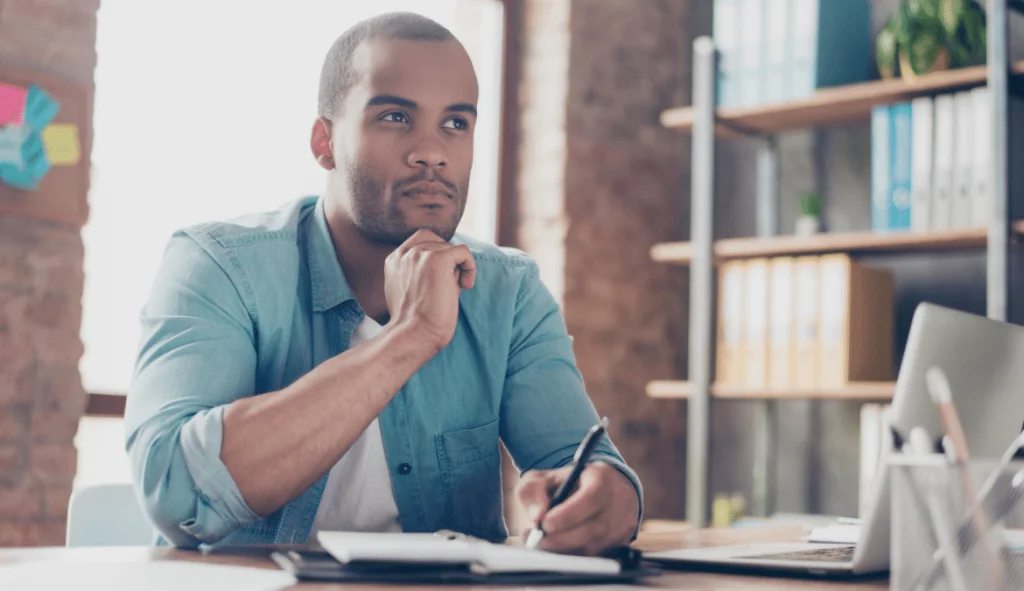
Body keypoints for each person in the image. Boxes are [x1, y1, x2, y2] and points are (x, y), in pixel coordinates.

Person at [124, 11, 642, 555]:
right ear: (324, 143)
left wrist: (611, 501)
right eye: (395, 117)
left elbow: (583, 464)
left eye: (456, 123)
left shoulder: (507, 291)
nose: (432, 151)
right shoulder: (218, 265)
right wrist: (408, 337)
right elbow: (175, 494)